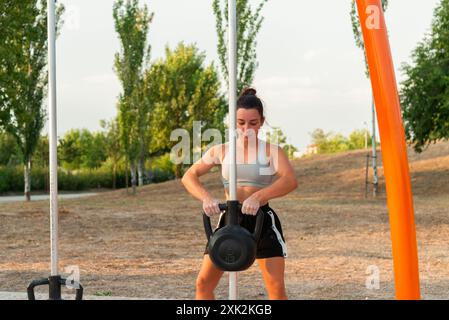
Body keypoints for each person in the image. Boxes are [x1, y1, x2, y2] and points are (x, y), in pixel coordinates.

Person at [181, 88, 298, 300]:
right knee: (203, 284)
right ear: (234, 121)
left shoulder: (272, 151)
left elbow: (290, 180)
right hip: (230, 219)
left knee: (276, 288)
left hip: (261, 221)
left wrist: (258, 197)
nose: (246, 129)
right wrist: (206, 198)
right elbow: (189, 176)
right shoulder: (221, 150)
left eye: (253, 123)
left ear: (262, 121)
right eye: (241, 122)